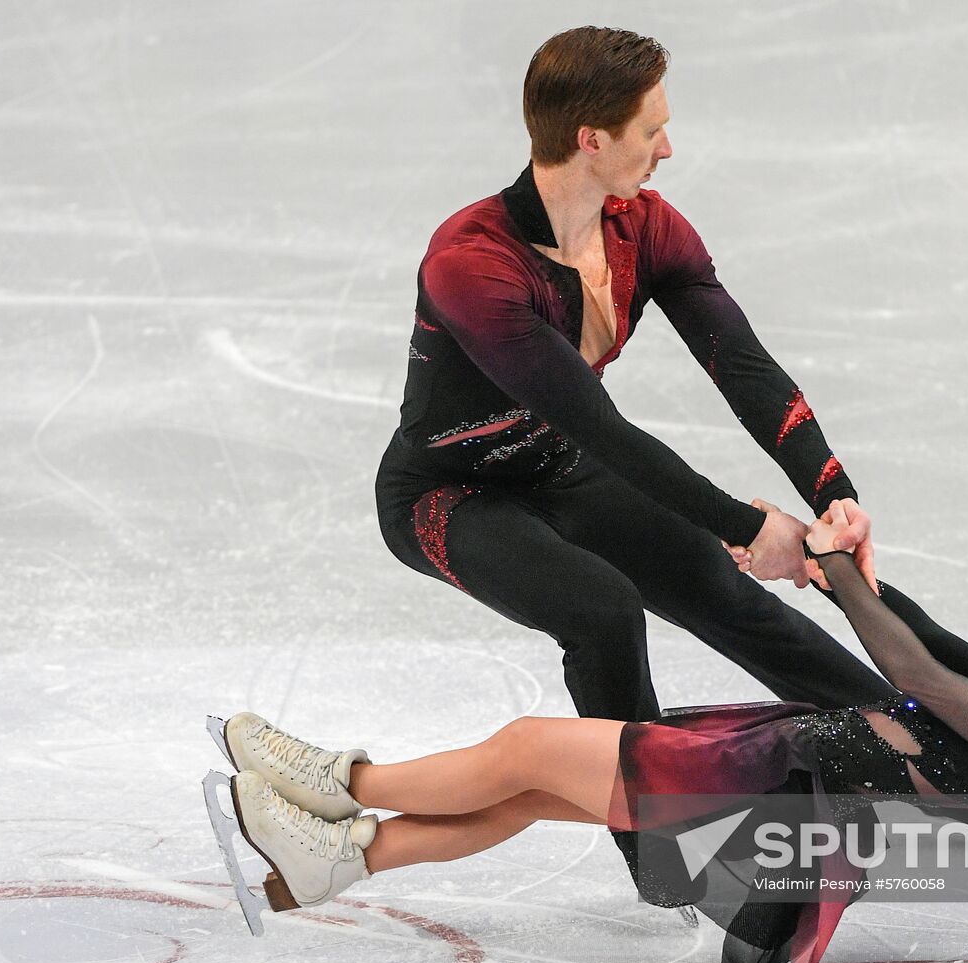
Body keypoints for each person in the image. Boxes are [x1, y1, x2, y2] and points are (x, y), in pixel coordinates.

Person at [211, 501, 968, 963]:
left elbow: (923, 680)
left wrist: (839, 577)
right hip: (773, 774)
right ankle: (334, 863)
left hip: (755, 793)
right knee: (538, 788)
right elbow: (933, 643)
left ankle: (338, 786)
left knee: (533, 746)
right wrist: (833, 567)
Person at [377, 24, 886, 901]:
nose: (666, 147)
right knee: (605, 612)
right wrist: (746, 524)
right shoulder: (472, 263)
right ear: (592, 139)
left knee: (718, 590)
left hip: (557, 469)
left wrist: (831, 497)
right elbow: (603, 428)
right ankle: (665, 861)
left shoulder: (645, 228)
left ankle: (911, 744)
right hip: (448, 497)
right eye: (651, 130)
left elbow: (746, 370)